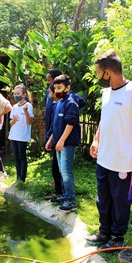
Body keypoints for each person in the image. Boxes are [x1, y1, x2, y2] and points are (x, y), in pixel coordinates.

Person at [86, 50, 132, 250]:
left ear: (108, 72)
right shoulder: (106, 93)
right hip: (104, 159)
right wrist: (96, 140)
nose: (97, 76)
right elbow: (104, 121)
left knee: (121, 202)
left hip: (125, 162)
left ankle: (117, 237)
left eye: (98, 72)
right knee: (103, 199)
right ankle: (104, 231)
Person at [45, 74, 82, 212]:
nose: (57, 91)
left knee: (66, 171)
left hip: (67, 143)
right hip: (59, 143)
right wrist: (51, 140)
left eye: (60, 88)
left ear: (68, 87)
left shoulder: (71, 102)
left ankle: (71, 200)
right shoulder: (59, 103)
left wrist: (61, 141)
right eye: (55, 88)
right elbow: (56, 125)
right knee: (61, 170)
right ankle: (65, 195)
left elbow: (71, 123)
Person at [44, 69, 64, 200]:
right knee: (55, 166)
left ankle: (63, 193)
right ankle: (59, 191)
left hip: (59, 135)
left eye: (49, 81)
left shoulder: (65, 100)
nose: (47, 84)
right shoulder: (52, 97)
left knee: (60, 167)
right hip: (52, 132)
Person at [8, 84, 34, 183]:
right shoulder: (14, 107)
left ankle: (22, 179)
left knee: (22, 157)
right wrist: (13, 120)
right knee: (16, 157)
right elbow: (11, 123)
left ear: (24, 94)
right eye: (15, 94)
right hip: (14, 135)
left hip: (22, 136)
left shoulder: (28, 106)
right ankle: (18, 177)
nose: (16, 96)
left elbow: (30, 122)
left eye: (18, 94)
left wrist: (26, 111)